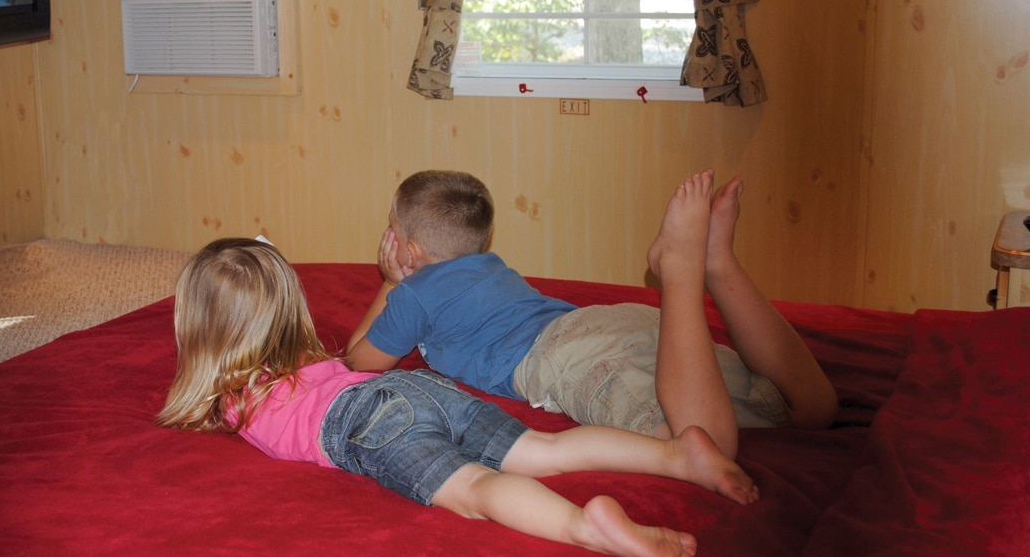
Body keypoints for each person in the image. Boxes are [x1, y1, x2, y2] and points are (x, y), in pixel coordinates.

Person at [158, 237, 760, 557]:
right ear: (288, 311)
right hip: (413, 388)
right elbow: (357, 359)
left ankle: (584, 526)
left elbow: (202, 396)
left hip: (367, 422)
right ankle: (677, 456)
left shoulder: (234, 397)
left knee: (474, 491)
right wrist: (386, 285)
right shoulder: (313, 363)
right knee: (542, 449)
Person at [344, 170, 838, 460]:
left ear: (407, 247)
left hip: (566, 357)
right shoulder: (490, 266)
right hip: (616, 324)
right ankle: (717, 261)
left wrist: (392, 281)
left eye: (390, 229)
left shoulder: (416, 293)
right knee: (810, 409)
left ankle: (681, 271)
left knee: (701, 445)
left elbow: (360, 362)